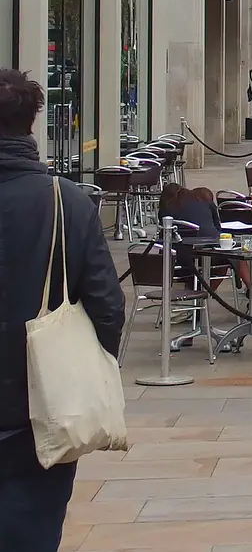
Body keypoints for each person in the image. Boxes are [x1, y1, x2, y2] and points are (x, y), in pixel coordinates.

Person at [0, 68, 124, 549]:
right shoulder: (66, 202)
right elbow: (108, 305)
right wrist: (89, 365)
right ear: (34, 123)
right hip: (43, 407)